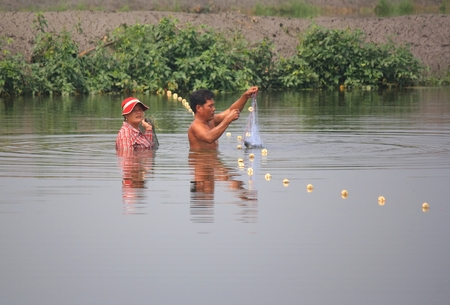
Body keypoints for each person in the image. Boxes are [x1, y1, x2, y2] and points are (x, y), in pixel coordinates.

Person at [188, 86, 259, 150]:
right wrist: (228, 120)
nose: (214, 109)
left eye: (213, 106)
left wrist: (245, 96)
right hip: (202, 163)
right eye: (210, 106)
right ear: (199, 108)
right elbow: (209, 137)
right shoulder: (195, 126)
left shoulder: (211, 120)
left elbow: (231, 111)